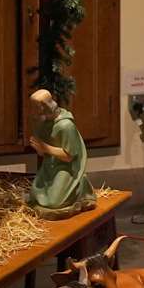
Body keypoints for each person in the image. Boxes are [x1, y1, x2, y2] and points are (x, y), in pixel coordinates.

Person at [28, 88, 94, 220]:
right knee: (35, 194)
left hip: (67, 167)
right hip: (51, 163)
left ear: (44, 106)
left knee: (54, 203)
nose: (33, 110)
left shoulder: (65, 126)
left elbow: (69, 156)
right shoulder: (45, 123)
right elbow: (43, 153)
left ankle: (80, 189)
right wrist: (39, 148)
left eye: (36, 106)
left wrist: (45, 147)